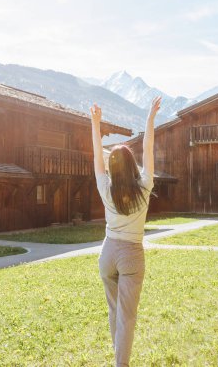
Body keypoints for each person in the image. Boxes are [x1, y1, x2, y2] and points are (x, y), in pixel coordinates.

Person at [90, 96, 161, 367]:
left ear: (112, 167)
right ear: (133, 165)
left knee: (114, 310)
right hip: (131, 256)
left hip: (108, 254)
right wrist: (150, 119)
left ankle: (119, 357)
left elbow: (98, 155)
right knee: (127, 317)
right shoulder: (144, 186)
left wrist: (95, 124)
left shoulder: (105, 188)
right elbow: (149, 146)